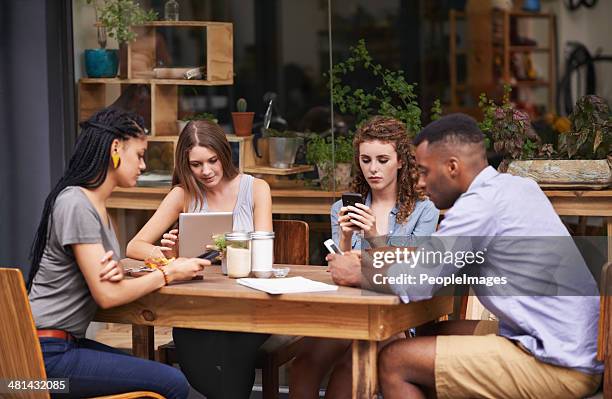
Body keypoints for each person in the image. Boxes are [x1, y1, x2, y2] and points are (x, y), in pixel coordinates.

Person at [327, 113, 603, 399]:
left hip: (558, 364)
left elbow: (420, 281)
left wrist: (359, 273)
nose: (419, 182)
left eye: (424, 171)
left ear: (452, 167)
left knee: (394, 361)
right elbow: (434, 258)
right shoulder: (516, 187)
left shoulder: (478, 206)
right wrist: (380, 259)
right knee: (431, 334)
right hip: (572, 345)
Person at [27, 107, 209, 399]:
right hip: (43, 365)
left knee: (160, 376)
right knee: (172, 383)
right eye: (138, 155)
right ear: (115, 149)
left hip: (59, 348)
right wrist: (168, 273)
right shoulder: (76, 203)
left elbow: (106, 284)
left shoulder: (94, 207)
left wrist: (124, 274)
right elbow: (108, 296)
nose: (143, 165)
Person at [289, 116, 439, 398]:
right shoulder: (342, 208)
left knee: (348, 373)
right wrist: (345, 237)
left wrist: (373, 236)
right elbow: (341, 272)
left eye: (382, 160)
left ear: (401, 161)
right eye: (366, 160)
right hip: (347, 312)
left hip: (394, 319)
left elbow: (413, 270)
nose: (373, 169)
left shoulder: (424, 210)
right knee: (304, 364)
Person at [126, 120, 273, 399]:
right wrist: (169, 256)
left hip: (248, 305)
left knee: (234, 349)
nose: (206, 171)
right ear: (186, 164)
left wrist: (231, 249)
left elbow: (265, 251)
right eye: (196, 164)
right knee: (195, 358)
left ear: (224, 154)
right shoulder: (183, 194)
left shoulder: (256, 189)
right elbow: (135, 245)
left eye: (212, 161)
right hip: (197, 307)